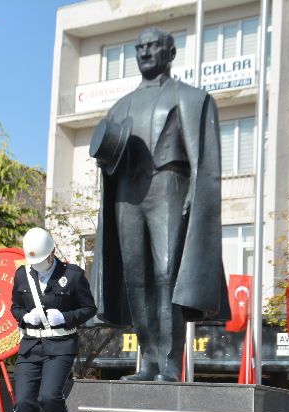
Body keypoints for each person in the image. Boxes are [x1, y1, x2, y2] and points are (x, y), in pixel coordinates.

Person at [89, 28, 228, 382]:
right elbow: (107, 160)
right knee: (136, 277)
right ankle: (148, 361)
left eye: (152, 46)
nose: (145, 52)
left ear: (170, 52)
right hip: (128, 193)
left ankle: (169, 362)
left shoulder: (192, 98)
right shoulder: (121, 106)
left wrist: (197, 197)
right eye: (139, 47)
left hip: (170, 185)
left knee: (167, 275)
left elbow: (207, 162)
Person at [10, 228, 98, 412]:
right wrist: (25, 316)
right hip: (30, 345)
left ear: (52, 253)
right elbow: (14, 306)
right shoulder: (22, 275)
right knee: (24, 400)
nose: (38, 266)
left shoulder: (72, 275)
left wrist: (66, 317)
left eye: (42, 261)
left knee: (49, 396)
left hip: (60, 345)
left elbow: (89, 308)